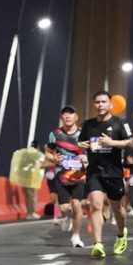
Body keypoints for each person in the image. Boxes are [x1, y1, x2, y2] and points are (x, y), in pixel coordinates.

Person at [78, 91, 133, 258]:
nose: (100, 105)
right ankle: (98, 244)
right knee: (95, 205)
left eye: (103, 102)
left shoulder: (120, 123)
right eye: (97, 102)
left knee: (117, 209)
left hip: (114, 172)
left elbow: (131, 142)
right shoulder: (88, 124)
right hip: (95, 171)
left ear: (111, 105)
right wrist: (83, 145)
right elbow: (81, 142)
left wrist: (111, 142)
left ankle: (121, 234)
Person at [46, 105, 88, 247]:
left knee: (77, 205)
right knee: (64, 208)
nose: (68, 116)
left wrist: (86, 158)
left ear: (76, 117)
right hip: (62, 176)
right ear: (61, 117)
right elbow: (48, 152)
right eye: (65, 114)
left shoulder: (83, 134)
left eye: (71, 113)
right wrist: (53, 159)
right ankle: (68, 217)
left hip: (79, 176)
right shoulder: (55, 134)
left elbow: (92, 151)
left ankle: (76, 236)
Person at [9, 142, 45, 219]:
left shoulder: (23, 153)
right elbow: (42, 164)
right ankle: (31, 213)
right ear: (38, 147)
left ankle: (29, 212)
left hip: (22, 177)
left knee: (26, 195)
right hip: (31, 177)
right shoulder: (37, 154)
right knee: (32, 195)